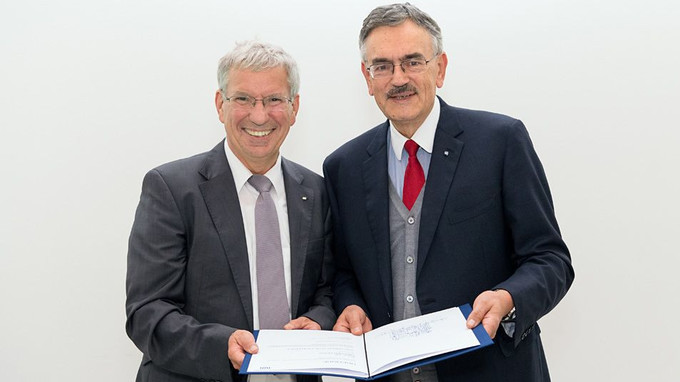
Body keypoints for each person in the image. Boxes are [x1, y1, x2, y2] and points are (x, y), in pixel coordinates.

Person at [323, 3, 574, 381]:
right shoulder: (343, 166)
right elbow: (343, 273)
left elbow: (550, 259)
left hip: (491, 372)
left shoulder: (501, 142)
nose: (398, 78)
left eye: (412, 61)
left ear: (439, 68)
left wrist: (507, 299)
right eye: (383, 66)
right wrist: (350, 305)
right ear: (367, 77)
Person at [126, 41, 335, 382]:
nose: (259, 115)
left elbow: (326, 290)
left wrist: (320, 320)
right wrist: (222, 344)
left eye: (274, 100)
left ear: (294, 107)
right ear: (220, 105)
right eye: (243, 99)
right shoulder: (170, 189)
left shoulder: (317, 190)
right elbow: (147, 313)